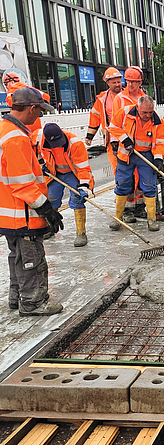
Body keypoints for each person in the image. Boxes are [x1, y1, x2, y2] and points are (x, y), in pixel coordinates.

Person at [0, 87, 63, 316]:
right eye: (39, 111)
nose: (40, 116)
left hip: (9, 212)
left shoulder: (5, 129)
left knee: (17, 256)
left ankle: (17, 297)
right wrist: (46, 208)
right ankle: (33, 302)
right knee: (32, 260)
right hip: (22, 213)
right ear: (31, 108)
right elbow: (22, 183)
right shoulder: (16, 138)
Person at [108, 95, 164, 232]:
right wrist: (125, 139)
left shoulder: (157, 122)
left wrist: (158, 159)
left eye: (150, 112)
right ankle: (118, 218)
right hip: (126, 155)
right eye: (144, 112)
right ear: (138, 107)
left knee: (149, 186)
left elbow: (159, 143)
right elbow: (113, 126)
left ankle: (152, 221)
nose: (147, 115)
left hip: (145, 156)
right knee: (122, 185)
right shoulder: (125, 112)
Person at [32, 123, 94, 247]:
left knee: (77, 199)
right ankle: (50, 228)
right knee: (51, 199)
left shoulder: (75, 143)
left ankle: (81, 233)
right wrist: (41, 165)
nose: (57, 146)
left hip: (72, 173)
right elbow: (34, 152)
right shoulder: (37, 138)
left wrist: (84, 186)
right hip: (54, 173)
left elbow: (83, 168)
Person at [112, 66, 147, 222]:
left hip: (141, 146)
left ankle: (140, 207)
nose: (131, 85)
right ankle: (127, 210)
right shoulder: (119, 99)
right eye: (129, 81)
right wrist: (117, 141)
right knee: (127, 179)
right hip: (125, 146)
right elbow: (114, 123)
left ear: (140, 82)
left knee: (141, 177)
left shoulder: (144, 97)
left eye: (134, 82)